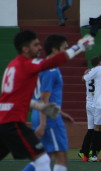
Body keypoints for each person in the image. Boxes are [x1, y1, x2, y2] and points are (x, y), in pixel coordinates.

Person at [0, 30, 93, 171]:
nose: (40, 48)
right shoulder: (26, 65)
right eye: (36, 45)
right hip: (12, 123)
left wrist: (40, 106)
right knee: (43, 160)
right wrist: (80, 46)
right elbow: (53, 61)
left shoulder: (12, 65)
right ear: (25, 49)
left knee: (43, 157)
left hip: (4, 121)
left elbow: (14, 99)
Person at [25, 34, 75, 171]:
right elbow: (43, 99)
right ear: (54, 49)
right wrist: (43, 123)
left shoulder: (45, 67)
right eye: (64, 48)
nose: (67, 51)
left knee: (43, 158)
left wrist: (61, 112)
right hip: (48, 117)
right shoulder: (51, 70)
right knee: (61, 157)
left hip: (46, 114)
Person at [78, 55, 101, 162]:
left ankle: (83, 151)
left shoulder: (89, 72)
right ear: (99, 63)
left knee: (91, 129)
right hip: (96, 103)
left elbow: (83, 79)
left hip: (88, 102)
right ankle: (92, 151)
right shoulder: (100, 71)